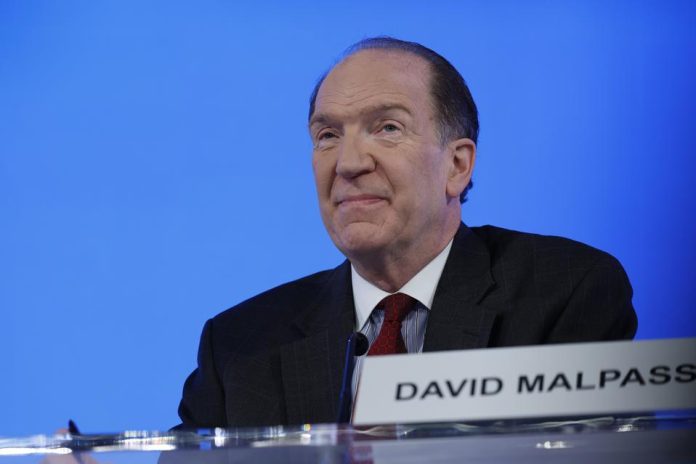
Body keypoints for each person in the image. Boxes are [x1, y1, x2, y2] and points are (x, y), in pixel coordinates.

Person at [176, 37, 637, 428]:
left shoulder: (565, 291)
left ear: (457, 165)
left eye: (387, 128)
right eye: (328, 135)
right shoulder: (239, 344)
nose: (348, 163)